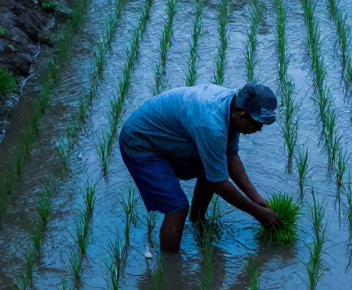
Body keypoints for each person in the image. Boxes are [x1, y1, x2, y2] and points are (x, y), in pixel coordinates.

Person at [119, 82, 280, 251]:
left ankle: (197, 221)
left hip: (166, 137)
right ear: (241, 114)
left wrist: (256, 197)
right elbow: (219, 183)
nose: (259, 129)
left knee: (211, 164)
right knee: (177, 208)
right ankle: (170, 268)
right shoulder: (212, 125)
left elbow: (230, 156)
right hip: (140, 142)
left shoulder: (232, 105)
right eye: (257, 123)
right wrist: (257, 213)